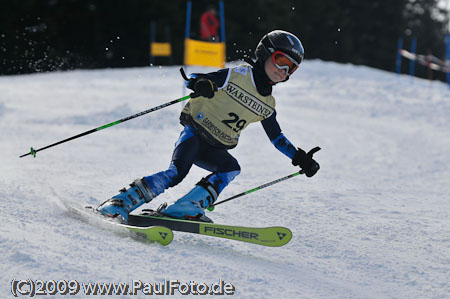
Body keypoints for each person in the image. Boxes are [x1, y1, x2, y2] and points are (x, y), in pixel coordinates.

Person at [97, 30, 320, 223]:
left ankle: (185, 208)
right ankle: (118, 203)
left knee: (230, 168)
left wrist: (299, 157)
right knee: (176, 173)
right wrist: (200, 83)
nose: (284, 70)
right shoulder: (238, 75)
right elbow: (196, 78)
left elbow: (276, 137)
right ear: (265, 53)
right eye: (282, 61)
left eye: (292, 68)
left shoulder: (267, 104)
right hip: (195, 134)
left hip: (215, 147)